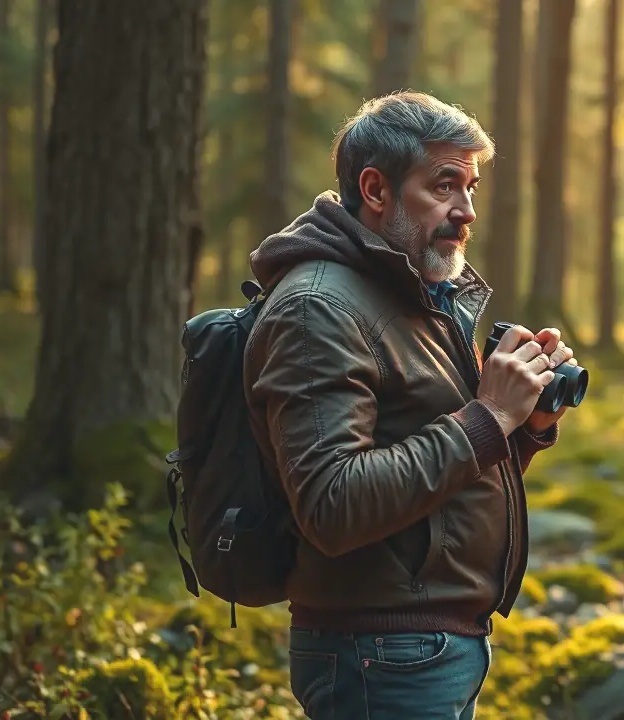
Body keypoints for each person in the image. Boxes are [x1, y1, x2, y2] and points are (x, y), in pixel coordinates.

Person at [242, 91, 574, 719]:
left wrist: (523, 427)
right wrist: (488, 417)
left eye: (471, 187)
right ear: (376, 189)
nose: (467, 210)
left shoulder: (410, 295)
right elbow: (332, 504)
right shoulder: (319, 308)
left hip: (422, 645)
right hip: (379, 653)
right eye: (445, 185)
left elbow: (435, 496)